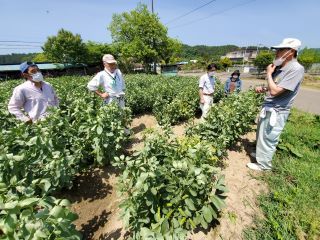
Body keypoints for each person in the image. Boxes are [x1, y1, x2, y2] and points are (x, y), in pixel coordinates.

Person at [247, 38, 305, 171]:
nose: (276, 52)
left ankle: (264, 166)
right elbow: (275, 86)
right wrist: (263, 88)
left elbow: (274, 91)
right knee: (262, 135)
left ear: (291, 52)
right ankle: (261, 156)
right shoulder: (281, 68)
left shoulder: (296, 69)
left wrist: (268, 74)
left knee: (269, 137)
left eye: (280, 50)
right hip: (269, 107)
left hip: (277, 110)